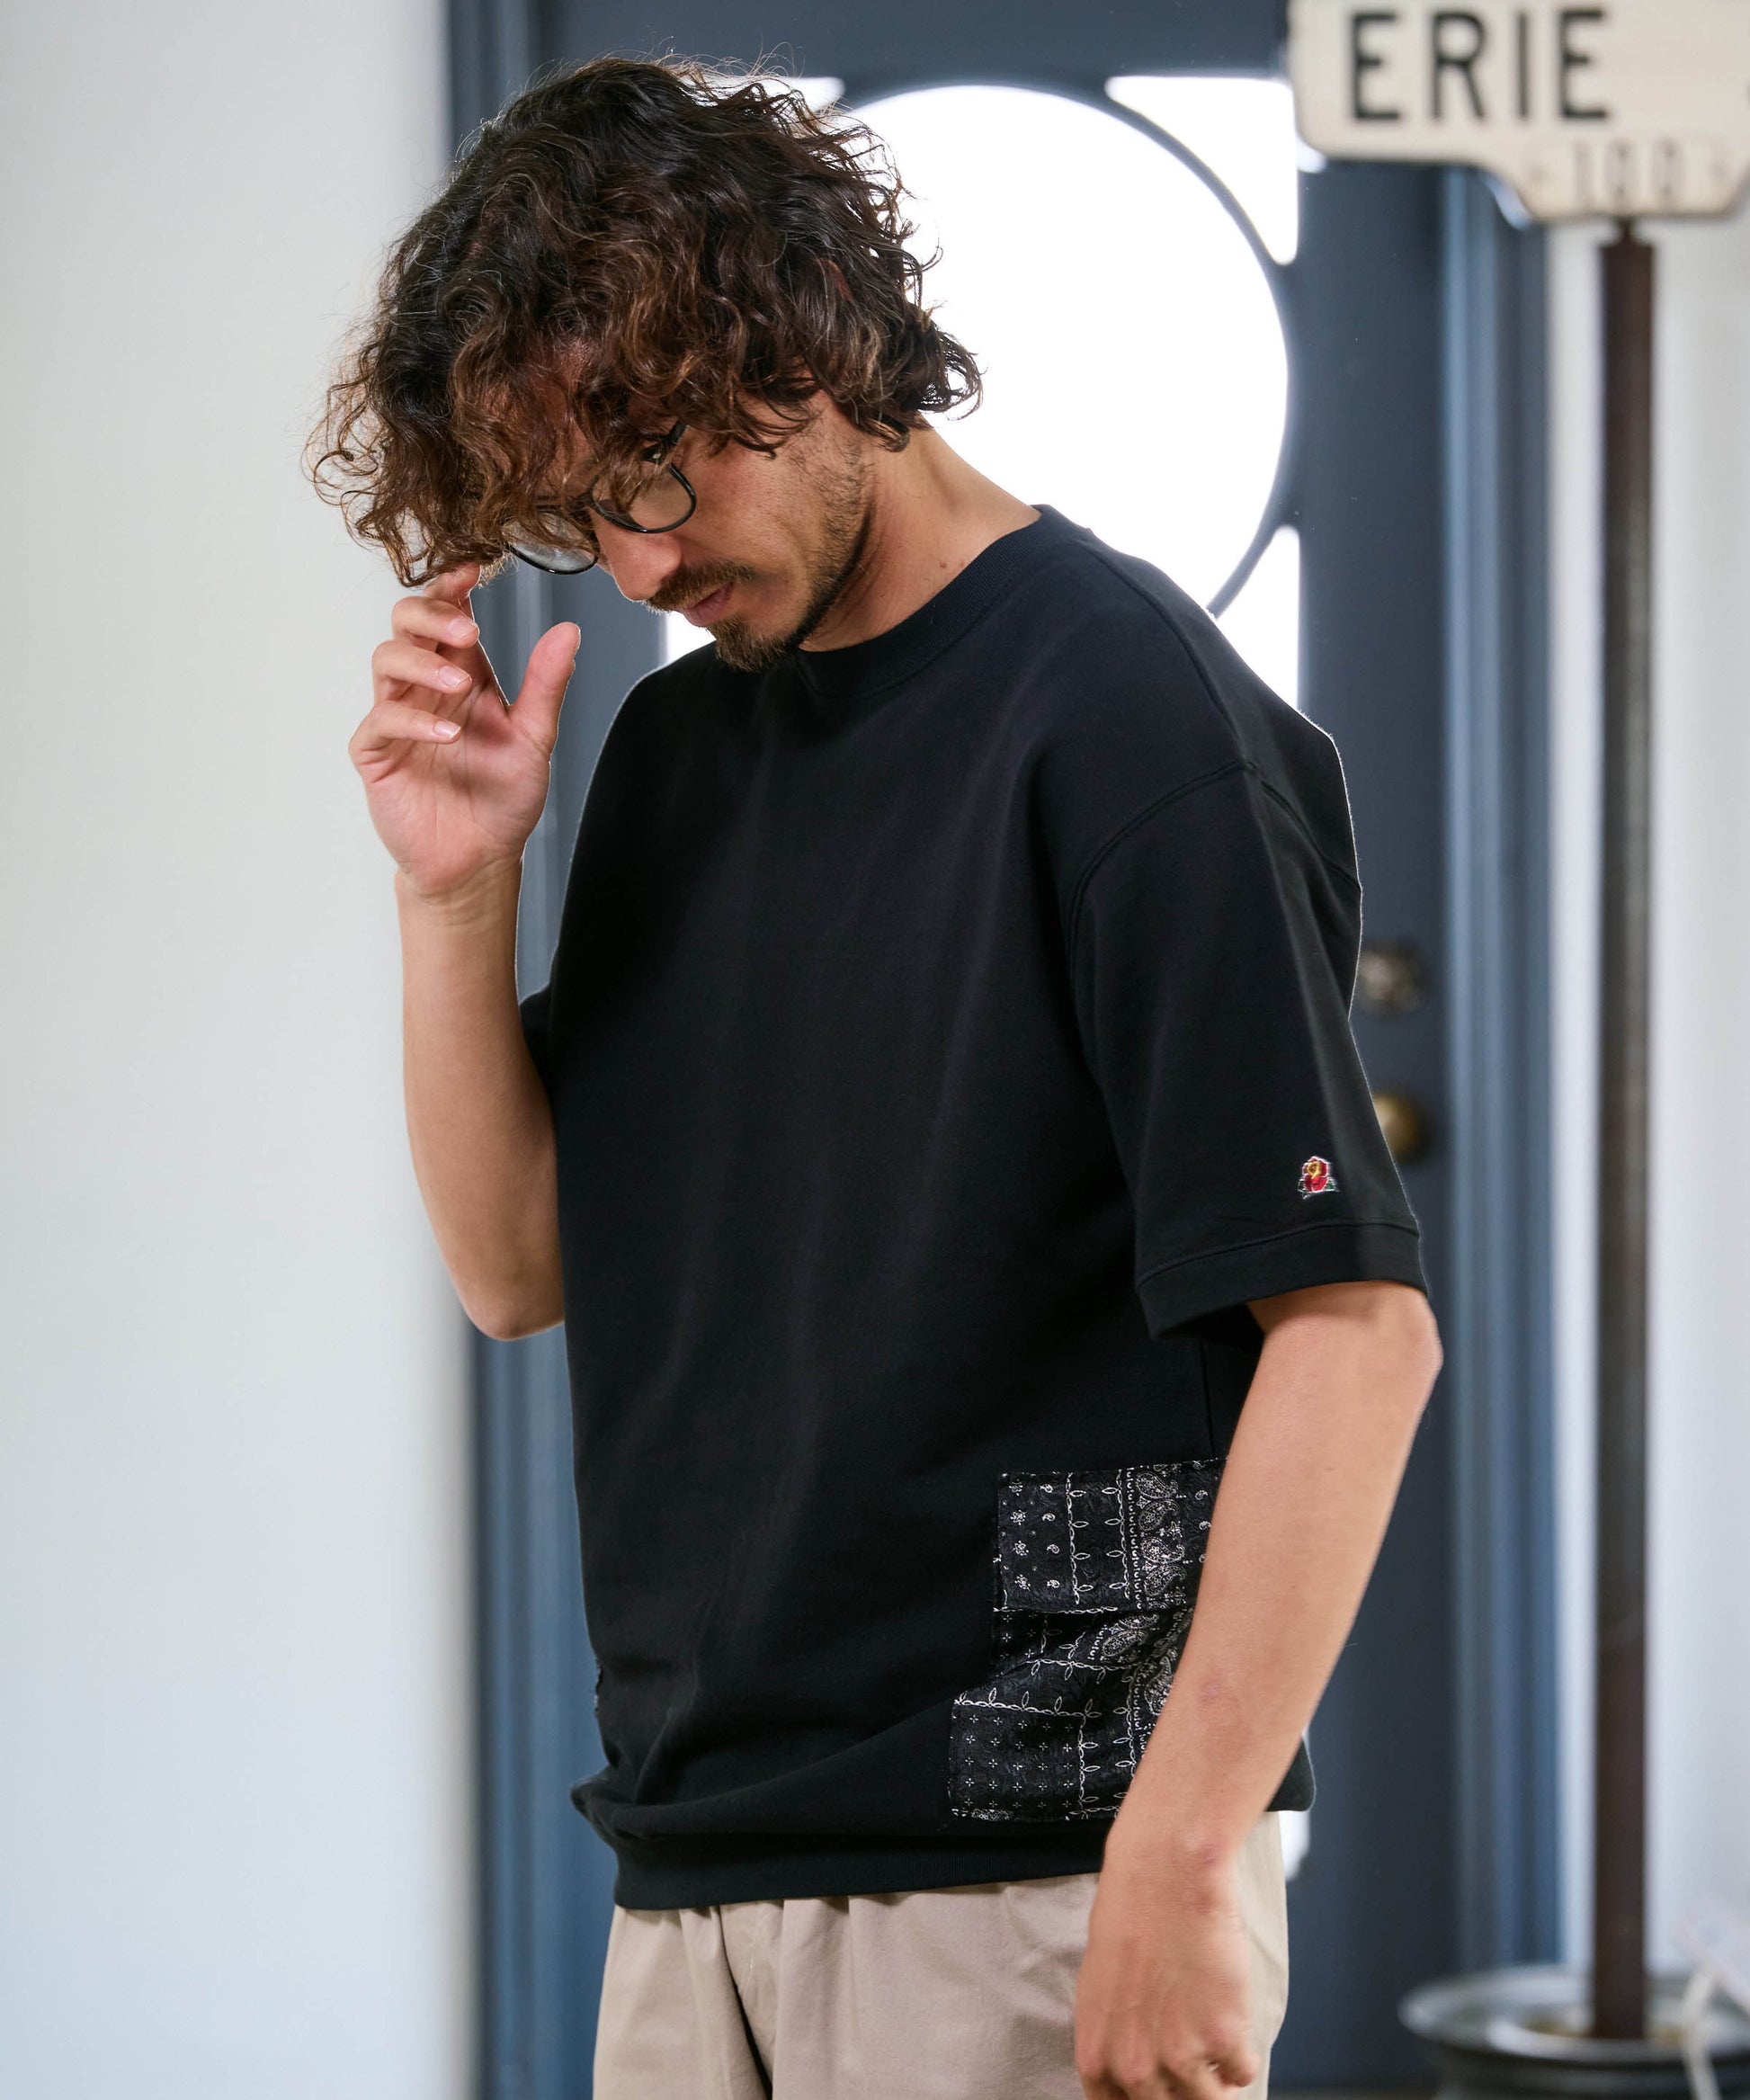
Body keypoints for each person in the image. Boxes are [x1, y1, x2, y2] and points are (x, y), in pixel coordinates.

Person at [312, 55, 1442, 2100]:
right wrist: (451, 892)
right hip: (691, 1868)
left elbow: (1355, 1335)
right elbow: (518, 1262)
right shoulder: (678, 752)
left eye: (654, 471)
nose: (636, 564)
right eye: (581, 513)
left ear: (809, 338)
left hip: (1018, 1888)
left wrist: (1182, 1852)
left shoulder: (1125, 716)